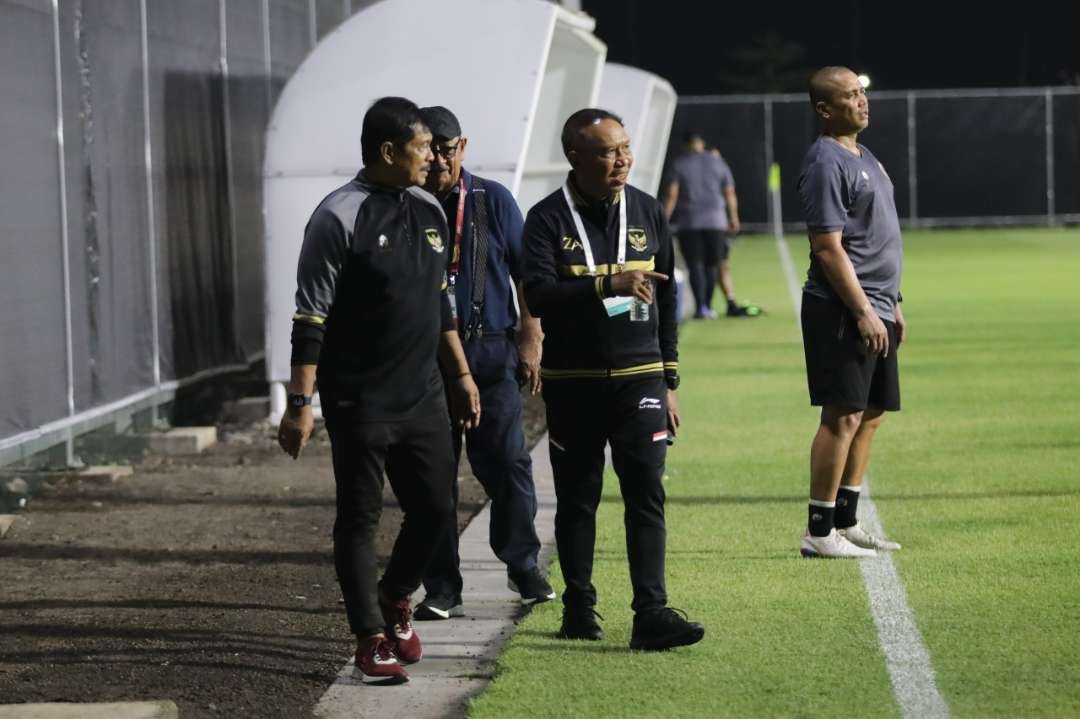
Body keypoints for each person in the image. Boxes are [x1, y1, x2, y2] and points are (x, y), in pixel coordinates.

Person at [277, 96, 481, 682]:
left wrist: (461, 374)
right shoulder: (338, 217)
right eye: (423, 147)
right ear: (388, 152)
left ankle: (397, 595)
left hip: (424, 396)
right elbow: (310, 316)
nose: (434, 157)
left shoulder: (429, 209)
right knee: (360, 517)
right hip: (359, 398)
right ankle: (370, 637)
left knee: (437, 508)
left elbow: (439, 303)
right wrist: (300, 405)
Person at [523, 108, 705, 651]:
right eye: (607, 151)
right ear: (574, 156)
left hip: (640, 380)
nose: (621, 159)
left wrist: (669, 375)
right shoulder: (546, 219)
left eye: (625, 148)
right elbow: (537, 296)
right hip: (573, 383)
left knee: (646, 490)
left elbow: (668, 298)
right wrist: (608, 285)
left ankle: (651, 612)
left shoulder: (648, 210)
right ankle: (579, 603)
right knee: (578, 499)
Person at [413, 106, 554, 619]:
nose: (438, 162)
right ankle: (442, 587)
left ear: (463, 148)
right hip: (425, 362)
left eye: (447, 150)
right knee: (432, 474)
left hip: (490, 347)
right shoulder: (406, 205)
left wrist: (531, 339)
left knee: (509, 463)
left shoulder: (491, 201)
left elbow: (527, 275)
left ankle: (523, 565)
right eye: (430, 152)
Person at [796, 67, 905, 558]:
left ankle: (846, 520)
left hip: (879, 305)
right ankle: (819, 531)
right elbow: (828, 247)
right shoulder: (825, 162)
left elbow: (879, 234)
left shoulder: (866, 156)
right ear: (824, 108)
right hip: (843, 309)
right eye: (850, 96)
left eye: (863, 93)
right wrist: (863, 310)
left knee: (872, 413)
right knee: (842, 415)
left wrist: (893, 304)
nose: (862, 102)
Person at [663, 132, 758, 318]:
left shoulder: (680, 163)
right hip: (716, 222)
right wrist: (733, 217)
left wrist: (662, 220)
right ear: (701, 143)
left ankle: (701, 307)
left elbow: (671, 195)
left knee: (695, 265)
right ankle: (708, 305)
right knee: (713, 265)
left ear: (686, 145)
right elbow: (730, 192)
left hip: (689, 223)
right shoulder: (718, 162)